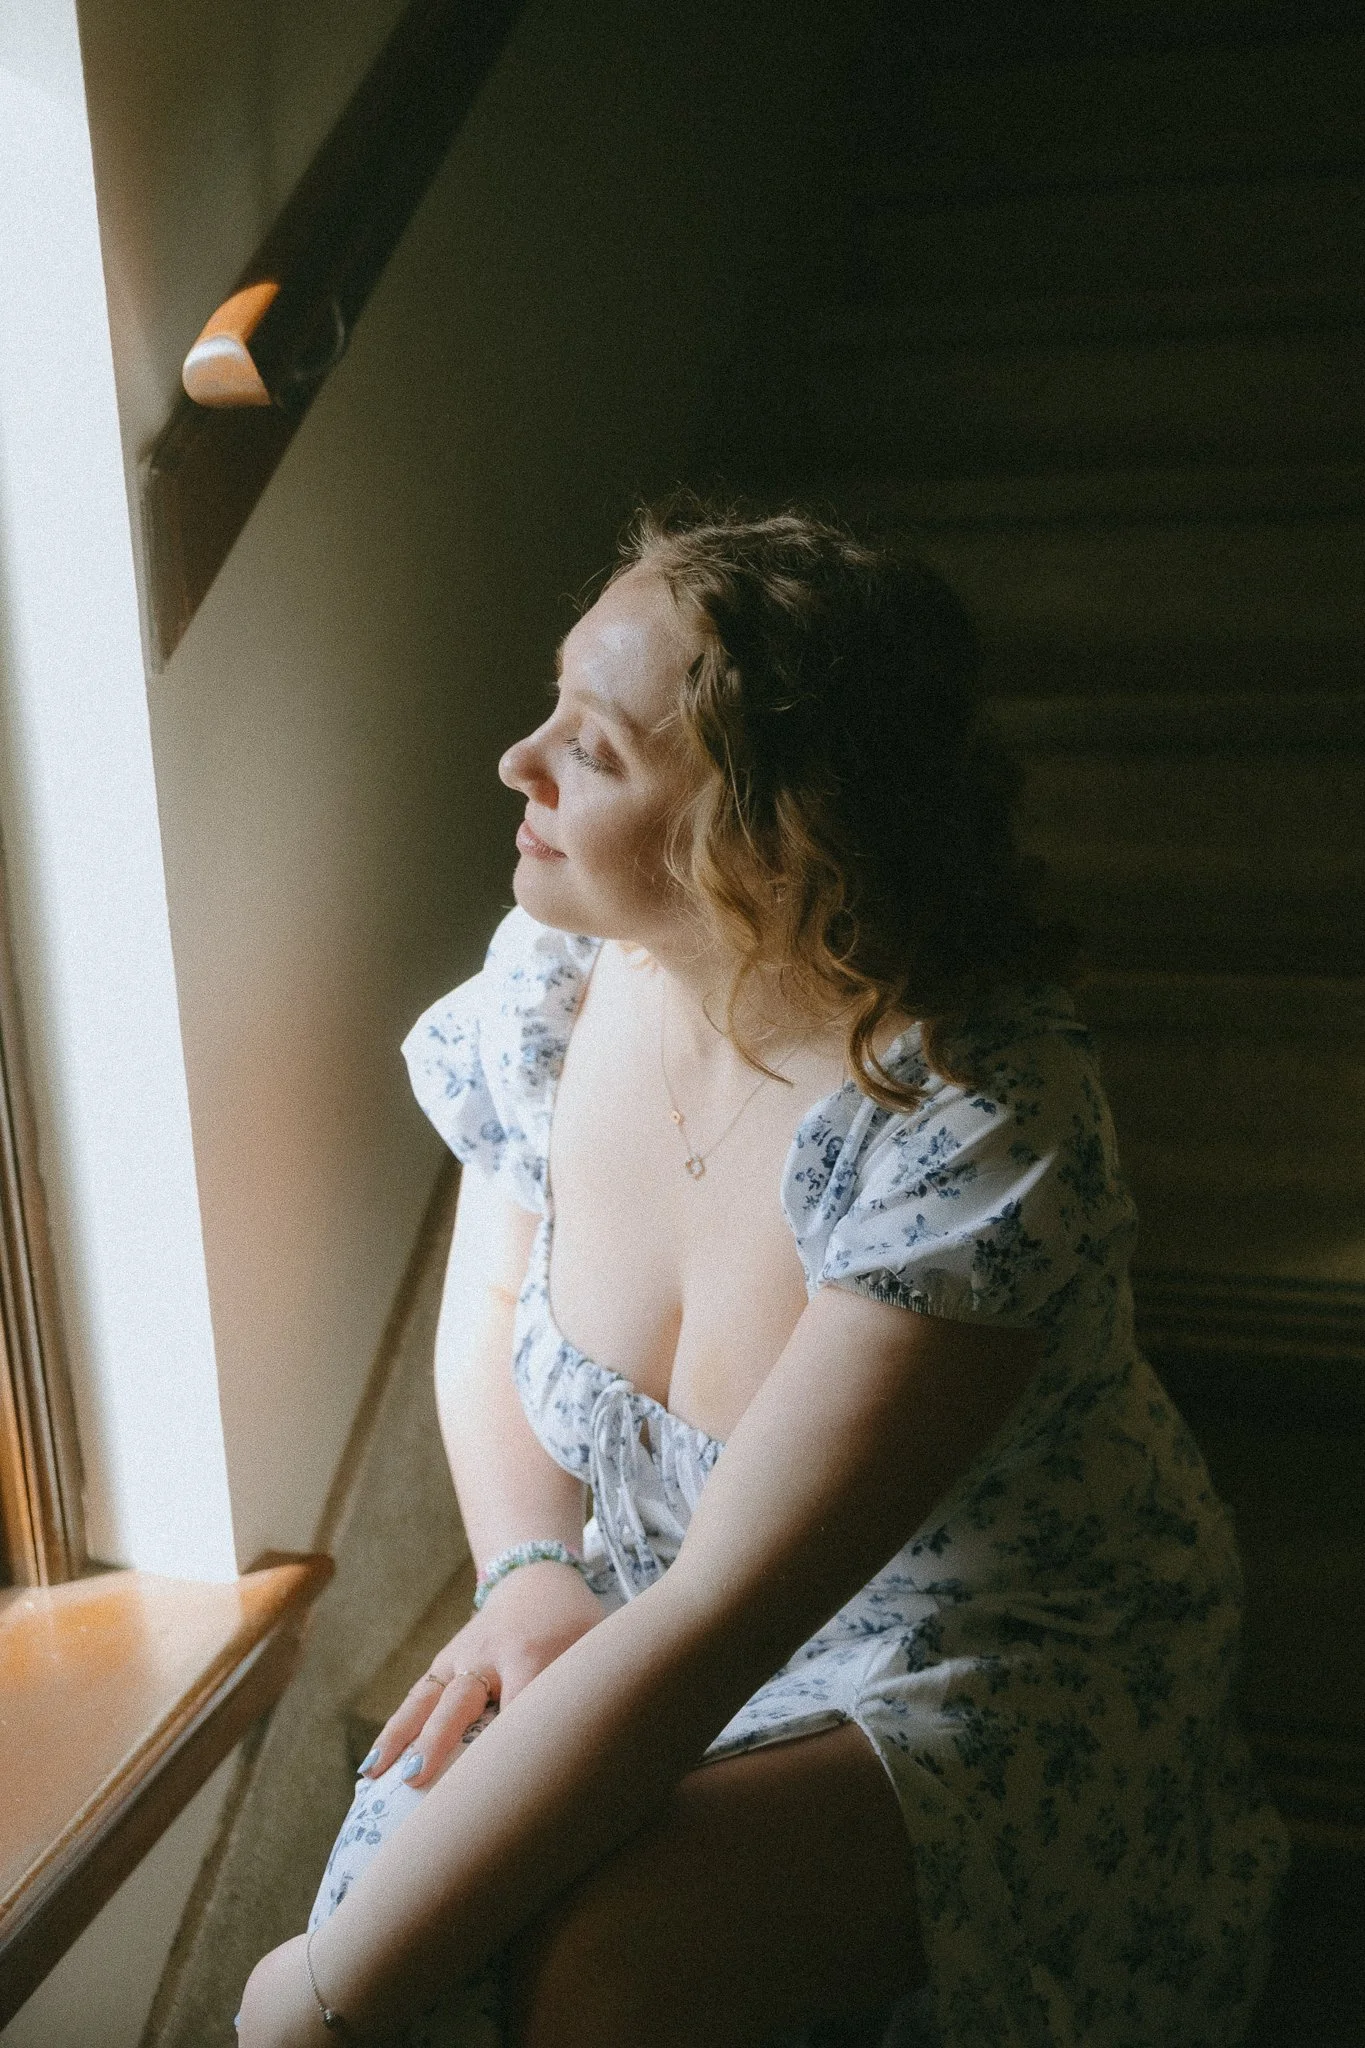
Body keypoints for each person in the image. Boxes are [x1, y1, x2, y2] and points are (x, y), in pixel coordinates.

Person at [237, 505, 1287, 2048]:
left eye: (594, 750)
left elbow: (719, 1618)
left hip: (974, 1647)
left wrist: (320, 1999)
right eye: (551, 708)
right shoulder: (556, 977)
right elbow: (489, 1313)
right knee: (413, 1882)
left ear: (766, 834)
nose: (518, 762)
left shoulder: (973, 1121)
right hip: (650, 1607)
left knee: (599, 1975)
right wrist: (527, 1573)